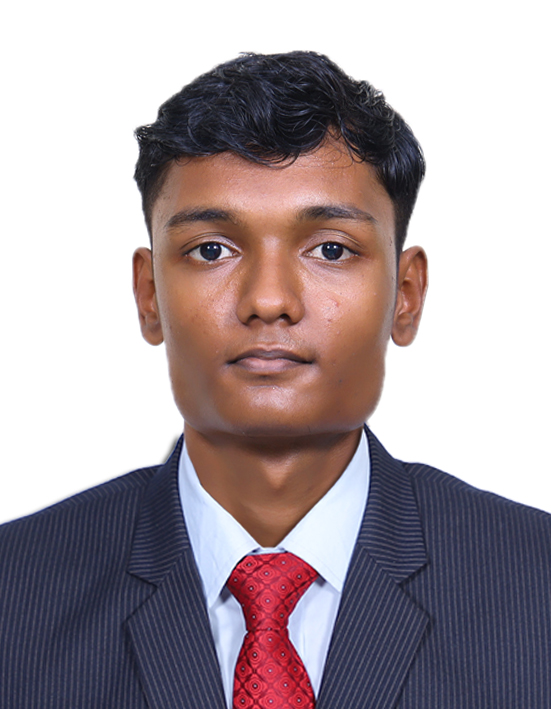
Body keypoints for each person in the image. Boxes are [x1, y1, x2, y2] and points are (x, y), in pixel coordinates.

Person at [0, 51, 549, 709]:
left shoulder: (536, 585)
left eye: (330, 249)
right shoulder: (14, 594)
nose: (267, 300)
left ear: (405, 295)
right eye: (211, 250)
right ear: (149, 295)